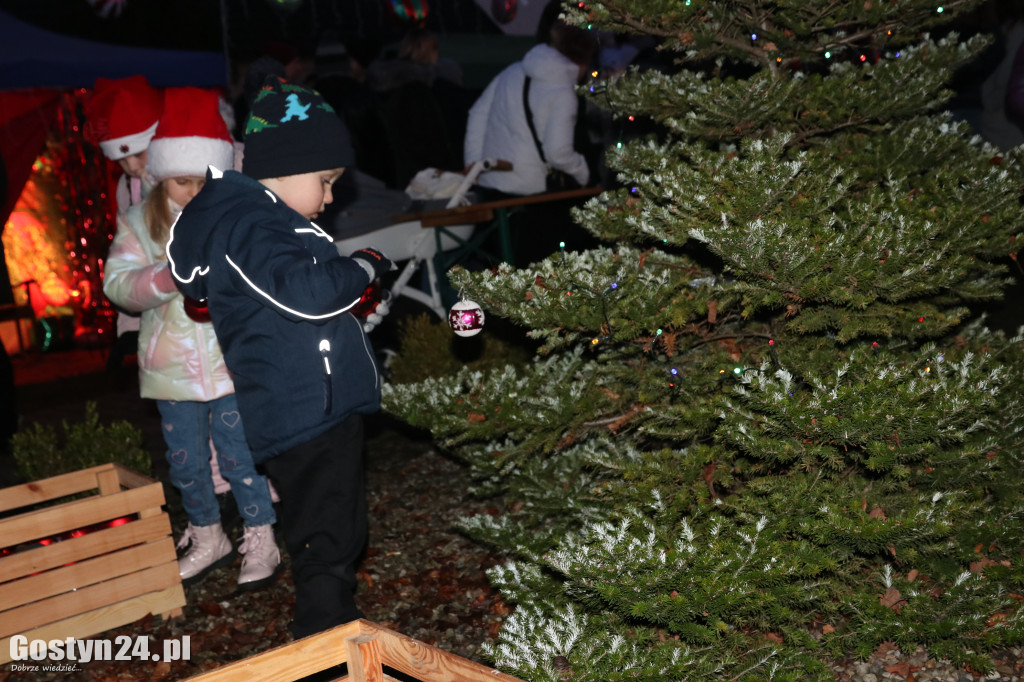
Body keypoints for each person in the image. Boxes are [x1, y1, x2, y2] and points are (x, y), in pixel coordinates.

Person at [166, 76, 396, 639]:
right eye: (325, 181)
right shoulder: (253, 225)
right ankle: (325, 641)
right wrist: (365, 264)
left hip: (311, 403)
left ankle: (334, 623)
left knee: (334, 525)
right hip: (304, 410)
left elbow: (290, 311)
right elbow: (310, 293)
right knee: (327, 532)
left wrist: (353, 323)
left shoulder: (265, 224)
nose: (331, 197)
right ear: (286, 170)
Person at [102, 86, 280, 591]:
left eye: (205, 182)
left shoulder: (234, 217)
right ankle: (207, 535)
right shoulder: (139, 223)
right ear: (160, 178)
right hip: (171, 370)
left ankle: (259, 534)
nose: (196, 193)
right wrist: (163, 278)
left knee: (240, 454)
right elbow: (118, 284)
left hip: (229, 364)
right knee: (185, 462)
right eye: (183, 182)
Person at [84, 75, 164, 372]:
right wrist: (131, 327)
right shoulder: (127, 189)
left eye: (139, 154)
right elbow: (129, 260)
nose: (132, 167)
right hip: (162, 325)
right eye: (121, 160)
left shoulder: (191, 172)